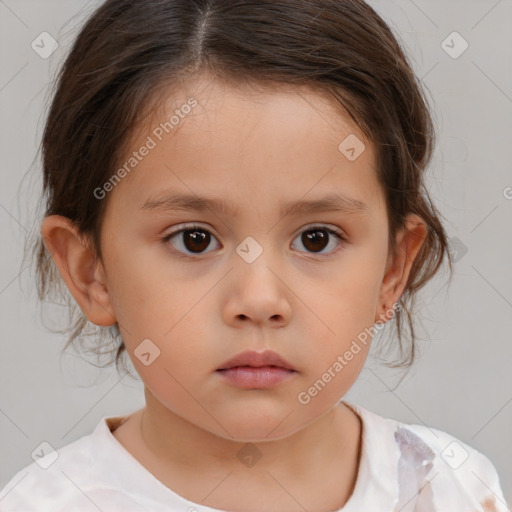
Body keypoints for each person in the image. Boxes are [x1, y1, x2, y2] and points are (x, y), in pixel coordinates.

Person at [0, 0, 508, 510]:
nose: (260, 300)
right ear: (93, 274)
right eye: (194, 239)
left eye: (317, 239)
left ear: (392, 272)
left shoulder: (449, 489)